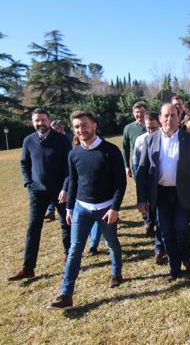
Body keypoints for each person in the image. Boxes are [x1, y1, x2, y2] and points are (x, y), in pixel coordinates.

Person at [48, 111, 127, 309]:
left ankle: (116, 273)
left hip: (106, 208)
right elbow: (73, 182)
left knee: (112, 244)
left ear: (94, 125)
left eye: (84, 125)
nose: (81, 130)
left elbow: (120, 183)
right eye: (77, 126)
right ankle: (65, 294)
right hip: (81, 209)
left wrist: (115, 208)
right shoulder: (73, 153)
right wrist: (69, 208)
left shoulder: (110, 150)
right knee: (75, 249)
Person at [136, 103, 190, 282]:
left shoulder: (189, 139)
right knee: (165, 232)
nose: (169, 119)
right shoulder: (150, 140)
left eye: (173, 115)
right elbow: (142, 170)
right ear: (160, 118)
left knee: (181, 228)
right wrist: (142, 199)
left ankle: (187, 259)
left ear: (179, 118)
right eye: (166, 115)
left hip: (183, 193)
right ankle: (174, 267)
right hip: (160, 194)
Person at [8, 109, 72, 281]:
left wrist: (66, 188)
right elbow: (24, 163)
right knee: (33, 228)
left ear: (48, 120)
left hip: (60, 191)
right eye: (37, 120)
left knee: (66, 224)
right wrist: (29, 183)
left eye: (43, 119)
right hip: (37, 192)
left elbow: (69, 167)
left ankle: (69, 256)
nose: (40, 123)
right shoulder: (28, 141)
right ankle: (28, 267)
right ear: (32, 122)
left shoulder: (61, 140)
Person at [132, 112, 167, 264]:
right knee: (156, 217)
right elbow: (138, 164)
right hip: (148, 183)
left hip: (163, 185)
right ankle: (159, 245)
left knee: (162, 219)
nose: (151, 131)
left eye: (154, 127)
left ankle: (161, 247)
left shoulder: (164, 139)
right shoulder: (141, 140)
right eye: (148, 128)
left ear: (159, 124)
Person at [122, 101, 150, 231]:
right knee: (142, 191)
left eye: (142, 112)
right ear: (133, 113)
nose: (139, 115)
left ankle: (154, 216)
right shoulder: (128, 128)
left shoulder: (153, 125)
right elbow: (126, 149)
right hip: (137, 163)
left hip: (153, 162)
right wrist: (127, 166)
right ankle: (146, 219)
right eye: (137, 112)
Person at [44, 119, 69, 221]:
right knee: (52, 191)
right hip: (55, 171)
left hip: (67, 170)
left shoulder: (67, 137)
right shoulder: (51, 138)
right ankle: (50, 211)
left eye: (55, 129)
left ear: (61, 128)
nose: (52, 131)